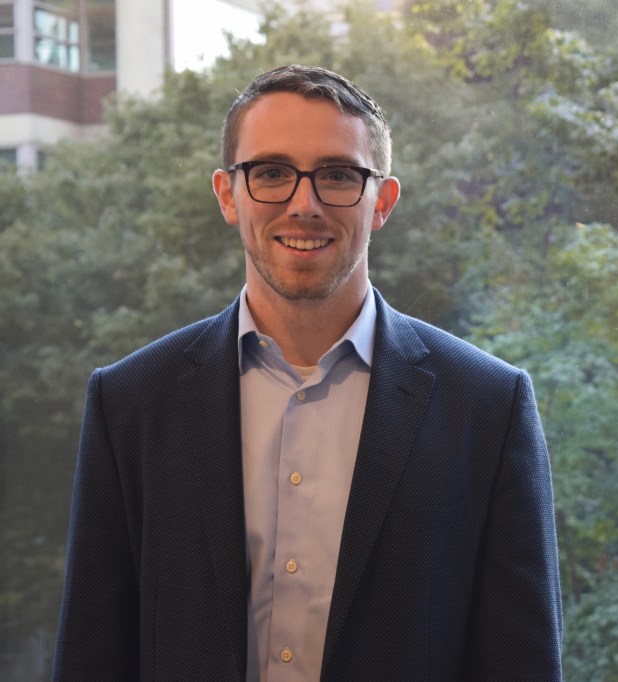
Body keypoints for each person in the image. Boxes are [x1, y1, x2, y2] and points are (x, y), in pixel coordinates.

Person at [52, 64, 562, 681]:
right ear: (227, 194)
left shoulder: (488, 408)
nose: (304, 204)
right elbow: (91, 659)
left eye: (338, 175)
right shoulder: (130, 403)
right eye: (271, 172)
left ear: (382, 202)